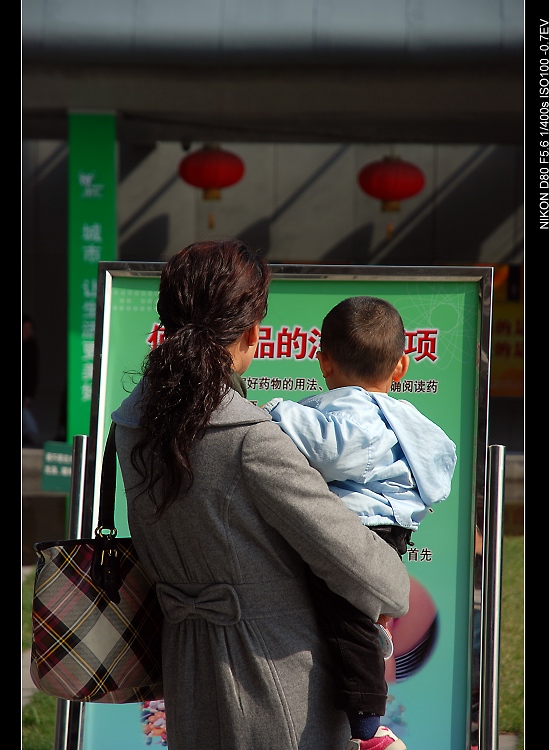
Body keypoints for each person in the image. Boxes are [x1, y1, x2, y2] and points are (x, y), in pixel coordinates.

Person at [110, 240, 410, 750]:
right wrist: (392, 579)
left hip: (188, 670)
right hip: (275, 683)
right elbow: (370, 573)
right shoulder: (251, 437)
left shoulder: (136, 423)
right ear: (252, 332)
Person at [262, 296, 457, 749]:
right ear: (401, 366)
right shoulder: (407, 417)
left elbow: (335, 451)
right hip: (388, 535)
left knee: (344, 628)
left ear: (323, 361)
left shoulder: (349, 409)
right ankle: (374, 631)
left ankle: (368, 732)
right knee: (354, 619)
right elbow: (439, 464)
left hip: (354, 533)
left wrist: (278, 410)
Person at [22, 312, 40, 447]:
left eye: (30, 328)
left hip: (25, 390)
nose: (27, 331)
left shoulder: (31, 347)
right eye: (25, 328)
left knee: (29, 424)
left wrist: (28, 395)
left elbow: (32, 373)